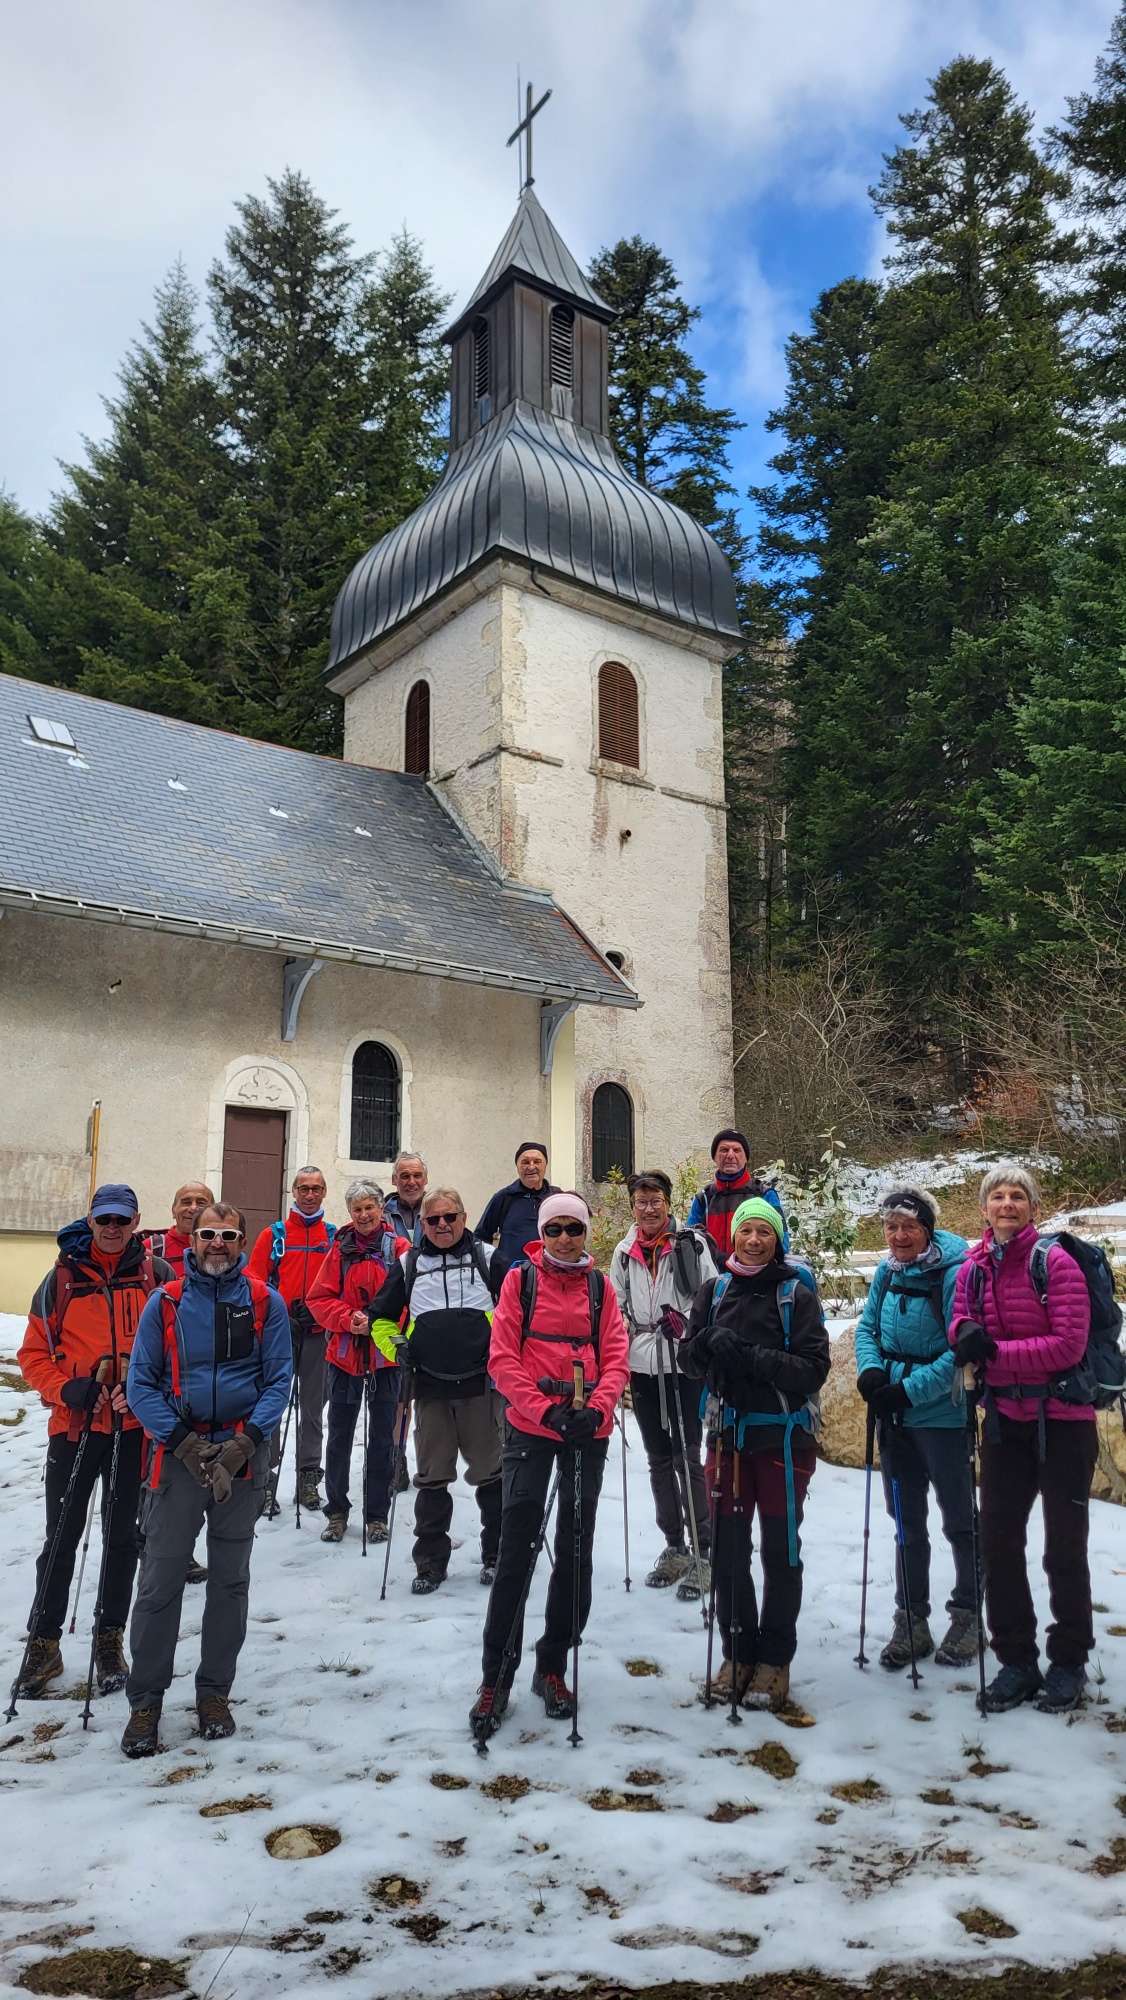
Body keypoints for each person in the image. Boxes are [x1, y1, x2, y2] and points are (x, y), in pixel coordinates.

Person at [121, 1202, 291, 1756]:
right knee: (160, 1580)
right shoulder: (164, 1304)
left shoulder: (266, 1302)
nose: (218, 1243)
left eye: (229, 1235)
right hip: (178, 1454)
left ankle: (214, 1692)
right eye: (208, 1234)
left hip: (242, 1458)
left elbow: (278, 1379)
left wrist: (244, 1444)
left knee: (230, 1580)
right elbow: (141, 1383)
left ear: (243, 1242)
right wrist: (186, 1443)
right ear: (191, 1240)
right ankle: (146, 1701)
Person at [471, 1192, 630, 1740]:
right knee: (517, 1548)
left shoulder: (600, 1287)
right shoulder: (521, 1280)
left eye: (574, 1228)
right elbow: (502, 1358)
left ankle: (553, 1664)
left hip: (587, 1431)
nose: (565, 1237)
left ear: (586, 1232)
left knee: (576, 1548)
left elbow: (616, 1355)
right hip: (532, 1430)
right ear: (543, 1232)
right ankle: (496, 1676)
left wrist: (600, 1408)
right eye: (556, 1228)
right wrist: (543, 1411)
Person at [14, 1186, 171, 1701]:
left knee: (123, 1538)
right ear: (91, 1218)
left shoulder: (156, 1277)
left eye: (121, 1220)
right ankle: (44, 1641)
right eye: (103, 1218)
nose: (111, 1227)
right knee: (61, 1536)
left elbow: (175, 1350)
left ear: (136, 1222)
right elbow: (33, 1353)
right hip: (75, 1426)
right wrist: (67, 1388)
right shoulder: (60, 1278)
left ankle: (110, 1637)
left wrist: (147, 1390)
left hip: (131, 1429)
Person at [950, 1163, 1096, 1715]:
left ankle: (1069, 1660)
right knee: (998, 1543)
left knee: (1064, 1548)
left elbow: (1068, 1346)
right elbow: (962, 1324)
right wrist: (963, 1333)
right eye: (997, 1196)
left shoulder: (1053, 1262)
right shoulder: (975, 1267)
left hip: (1064, 1422)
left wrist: (992, 1353)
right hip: (1005, 1422)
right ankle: (1016, 1658)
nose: (1006, 1204)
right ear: (985, 1207)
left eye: (1017, 1196)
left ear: (1032, 1208)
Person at [679, 1196, 829, 1712]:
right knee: (728, 1549)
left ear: (777, 1240)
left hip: (784, 1439)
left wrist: (748, 1357)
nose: (754, 1240)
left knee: (780, 1550)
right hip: (727, 1436)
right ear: (735, 1237)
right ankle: (738, 1651)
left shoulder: (795, 1295)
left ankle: (776, 1657)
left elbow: (812, 1368)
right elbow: (690, 1359)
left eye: (765, 1232)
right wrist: (705, 1346)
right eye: (747, 1232)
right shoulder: (714, 1291)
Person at [854, 1186, 975, 1670]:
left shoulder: (954, 1273)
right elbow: (867, 1329)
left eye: (909, 1226)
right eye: (891, 1227)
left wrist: (906, 1391)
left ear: (927, 1227)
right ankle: (912, 1618)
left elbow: (959, 1352)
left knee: (959, 1520)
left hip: (942, 1416)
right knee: (907, 1522)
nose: (899, 1235)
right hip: (895, 1416)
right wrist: (871, 1372)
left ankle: (968, 1615)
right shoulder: (887, 1272)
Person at [366, 1189, 505, 1593]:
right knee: (431, 1479)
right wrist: (400, 1350)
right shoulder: (409, 1264)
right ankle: (429, 1564)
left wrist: (497, 1348)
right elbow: (380, 1320)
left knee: (491, 1474)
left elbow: (515, 1311)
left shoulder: (487, 1258)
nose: (443, 1225)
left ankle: (497, 1555)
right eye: (433, 1219)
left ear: (464, 1217)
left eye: (450, 1217)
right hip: (428, 1387)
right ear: (422, 1224)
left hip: (481, 1385)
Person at [609, 1170, 718, 1599]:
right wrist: (619, 1349)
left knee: (688, 1457)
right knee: (657, 1459)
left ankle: (704, 1550)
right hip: (642, 1361)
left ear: (668, 1203)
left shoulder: (689, 1245)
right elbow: (614, 1306)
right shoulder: (623, 1251)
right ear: (633, 1206)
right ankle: (674, 1545)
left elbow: (712, 1297)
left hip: (684, 1361)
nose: (649, 1208)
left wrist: (690, 1326)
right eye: (641, 1201)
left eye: (656, 1200)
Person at [307, 1179, 410, 1544]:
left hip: (385, 1359)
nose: (364, 1214)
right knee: (339, 1437)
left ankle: (376, 1515)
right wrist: (348, 1318)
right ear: (349, 1213)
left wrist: (379, 1324)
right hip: (345, 1358)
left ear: (382, 1209)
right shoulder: (340, 1249)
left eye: (370, 1207)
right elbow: (318, 1299)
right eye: (357, 1209)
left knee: (382, 1438)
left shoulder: (399, 1248)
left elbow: (411, 1299)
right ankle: (336, 1512)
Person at [247, 1164, 336, 1514]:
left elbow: (338, 1284)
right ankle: (265, 1482)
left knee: (313, 1411)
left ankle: (308, 1480)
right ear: (294, 1193)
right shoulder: (275, 1234)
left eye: (316, 1188)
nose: (309, 1195)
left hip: (318, 1335)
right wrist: (282, 1312)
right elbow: (255, 1282)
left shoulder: (334, 1236)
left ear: (325, 1191)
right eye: (303, 1188)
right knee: (272, 1408)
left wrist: (319, 1311)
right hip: (280, 1337)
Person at [687, 1130, 787, 1262]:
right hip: (711, 1277)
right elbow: (688, 1241)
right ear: (715, 1157)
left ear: (746, 1158)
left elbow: (782, 1243)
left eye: (736, 1150)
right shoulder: (704, 1198)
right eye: (724, 1150)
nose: (730, 1155)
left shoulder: (763, 1194)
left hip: (752, 1277)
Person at [476, 1143, 559, 1274]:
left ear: (545, 1166)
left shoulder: (558, 1198)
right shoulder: (504, 1197)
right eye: (525, 1162)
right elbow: (481, 1237)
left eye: (537, 1161)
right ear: (517, 1167)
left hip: (552, 1277)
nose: (531, 1167)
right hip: (511, 1277)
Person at [145, 1182, 214, 1276]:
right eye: (186, 1202)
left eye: (201, 1203)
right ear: (173, 1210)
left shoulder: (220, 1248)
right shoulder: (149, 1248)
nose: (193, 1208)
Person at [383, 1152, 428, 1247]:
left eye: (417, 1176)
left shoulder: (438, 1212)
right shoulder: (381, 1214)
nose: (411, 1182)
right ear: (394, 1179)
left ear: (426, 1179)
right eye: (405, 1176)